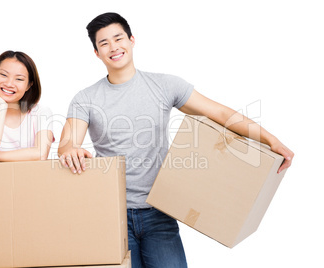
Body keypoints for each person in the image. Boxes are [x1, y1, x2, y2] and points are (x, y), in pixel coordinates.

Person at [58, 13, 294, 268]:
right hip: (111, 214)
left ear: (132, 40)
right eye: (104, 43)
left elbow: (220, 113)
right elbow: (67, 143)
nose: (114, 47)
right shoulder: (86, 98)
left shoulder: (164, 85)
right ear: (96, 53)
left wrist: (271, 139)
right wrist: (70, 149)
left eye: (118, 38)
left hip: (159, 212)